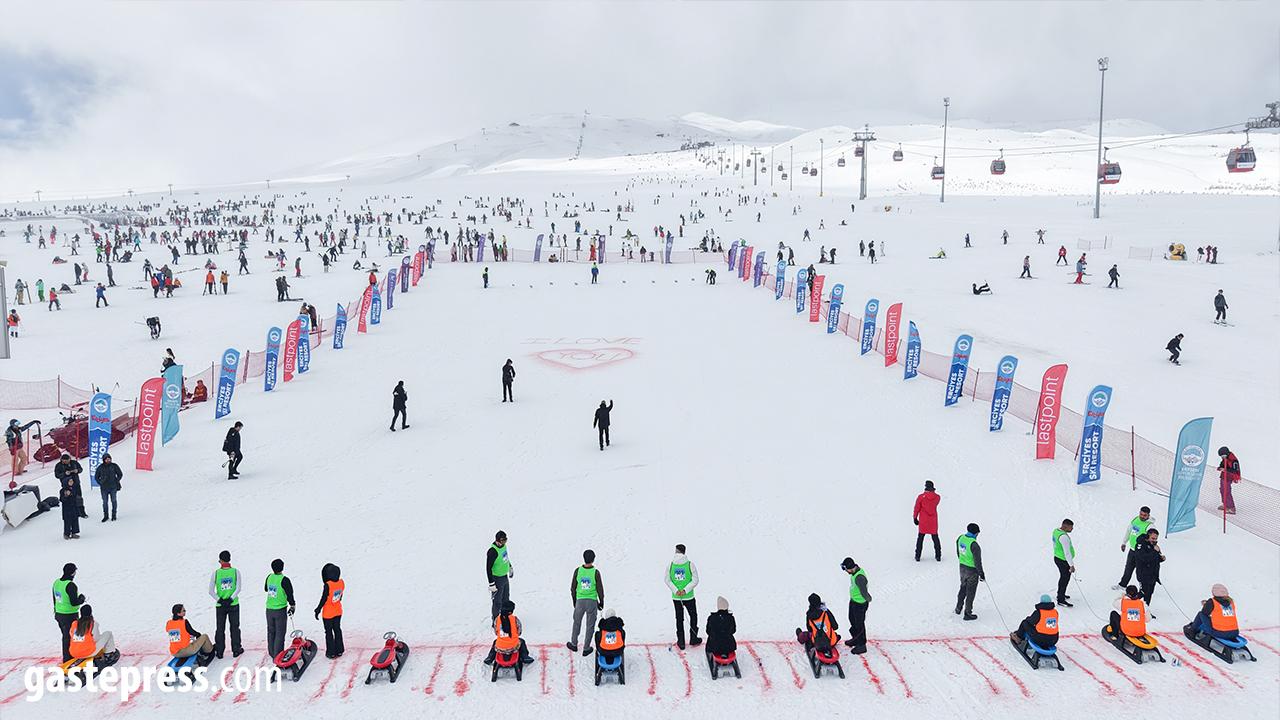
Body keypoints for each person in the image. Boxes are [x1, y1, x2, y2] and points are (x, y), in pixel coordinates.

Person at [567, 549, 604, 655]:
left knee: (576, 622)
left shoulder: (578, 571)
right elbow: (600, 589)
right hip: (592, 601)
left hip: (580, 600)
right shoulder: (596, 572)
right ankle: (586, 648)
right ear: (593, 559)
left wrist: (575, 601)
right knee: (590, 625)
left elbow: (572, 587)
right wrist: (601, 602)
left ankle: (574, 644)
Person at [208, 550, 244, 658]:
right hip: (233, 604)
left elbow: (211, 591)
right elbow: (238, 588)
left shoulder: (216, 573)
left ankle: (219, 651)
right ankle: (236, 649)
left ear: (220, 560)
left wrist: (220, 600)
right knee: (235, 627)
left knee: (220, 628)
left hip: (220, 606)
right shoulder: (235, 572)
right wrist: (230, 599)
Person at [666, 544, 700, 649]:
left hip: (676, 598)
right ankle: (693, 638)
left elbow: (667, 580)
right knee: (693, 616)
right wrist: (685, 590)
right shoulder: (690, 564)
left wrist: (676, 591)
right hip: (689, 596)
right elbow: (695, 579)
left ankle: (681, 641)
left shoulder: (671, 565)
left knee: (679, 618)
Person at [54, 563, 86, 661]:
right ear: (72, 573)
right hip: (69, 615)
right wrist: (81, 599)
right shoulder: (71, 585)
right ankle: (69, 658)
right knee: (70, 637)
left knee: (66, 636)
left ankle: (68, 656)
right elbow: (74, 602)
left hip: (59, 614)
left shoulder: (56, 583)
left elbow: (55, 598)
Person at [485, 600, 534, 665]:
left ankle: (490, 658)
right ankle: (525, 657)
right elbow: (519, 632)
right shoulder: (515, 619)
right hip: (513, 647)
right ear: (511, 611)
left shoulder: (497, 619)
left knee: (495, 642)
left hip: (500, 647)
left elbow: (496, 633)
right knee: (522, 641)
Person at [264, 559, 296, 658]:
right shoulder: (284, 580)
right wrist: (292, 605)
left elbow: (266, 588)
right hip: (280, 610)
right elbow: (290, 594)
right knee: (280, 633)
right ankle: (278, 654)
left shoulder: (269, 577)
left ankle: (271, 652)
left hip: (269, 609)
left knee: (271, 631)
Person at [1116, 506, 1153, 588]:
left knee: (1140, 571)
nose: (1142, 516)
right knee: (1128, 568)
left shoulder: (1150, 526)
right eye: (1141, 514)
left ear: (1148, 515)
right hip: (1132, 549)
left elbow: (1152, 540)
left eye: (1144, 515)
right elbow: (1129, 531)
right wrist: (1124, 542)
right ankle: (1122, 584)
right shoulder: (1136, 519)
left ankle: (1143, 588)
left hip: (1142, 552)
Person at [314, 563, 344, 658]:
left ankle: (331, 652)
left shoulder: (328, 585)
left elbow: (323, 599)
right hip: (338, 611)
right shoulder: (341, 582)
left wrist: (317, 609)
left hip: (328, 613)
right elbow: (340, 597)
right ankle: (339, 650)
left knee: (329, 632)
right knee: (337, 630)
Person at [840, 558, 871, 653]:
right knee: (852, 619)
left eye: (846, 569)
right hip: (854, 601)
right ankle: (856, 638)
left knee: (859, 624)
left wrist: (868, 599)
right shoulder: (854, 573)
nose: (846, 572)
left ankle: (861, 645)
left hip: (860, 604)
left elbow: (864, 592)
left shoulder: (859, 577)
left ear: (850, 568)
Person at [955, 522, 984, 620]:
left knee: (963, 588)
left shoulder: (960, 538)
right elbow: (977, 562)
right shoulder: (974, 545)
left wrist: (961, 559)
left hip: (962, 568)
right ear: (976, 533)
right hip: (972, 571)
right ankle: (968, 613)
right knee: (970, 592)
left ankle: (958, 608)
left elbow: (958, 551)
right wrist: (981, 573)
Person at [1133, 529, 1164, 605]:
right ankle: (1131, 606)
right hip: (1144, 574)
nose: (1154, 540)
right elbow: (1144, 558)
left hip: (1153, 575)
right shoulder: (1140, 545)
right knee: (1143, 593)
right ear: (1147, 536)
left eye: (1156, 539)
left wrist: (1161, 558)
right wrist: (1154, 551)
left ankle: (1146, 610)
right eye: (1153, 538)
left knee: (1149, 593)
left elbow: (1155, 558)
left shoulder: (1153, 545)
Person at [487, 530, 513, 622]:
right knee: (497, 602)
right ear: (497, 540)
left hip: (504, 577)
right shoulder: (492, 551)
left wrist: (509, 567)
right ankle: (496, 621)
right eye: (502, 541)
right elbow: (488, 568)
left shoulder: (503, 547)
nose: (503, 543)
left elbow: (505, 558)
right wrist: (491, 583)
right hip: (497, 579)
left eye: (505, 540)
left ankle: (505, 618)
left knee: (506, 599)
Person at [912, 480, 941, 561]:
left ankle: (918, 556)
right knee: (935, 538)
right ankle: (938, 556)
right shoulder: (937, 497)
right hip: (933, 521)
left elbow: (917, 508)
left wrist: (915, 517)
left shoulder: (921, 497)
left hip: (923, 520)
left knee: (920, 538)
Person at [1052, 519, 1075, 606]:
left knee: (1063, 578)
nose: (1072, 529)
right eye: (1071, 527)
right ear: (1065, 526)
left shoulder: (1056, 531)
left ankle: (1061, 594)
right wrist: (1071, 565)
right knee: (1064, 579)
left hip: (1057, 557)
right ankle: (1061, 599)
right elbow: (1067, 552)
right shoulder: (1064, 537)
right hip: (1063, 560)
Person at [95, 453, 122, 522]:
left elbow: (120, 474)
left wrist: (116, 480)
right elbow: (96, 477)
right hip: (104, 488)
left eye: (109, 459)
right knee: (105, 502)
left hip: (113, 487)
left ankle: (114, 515)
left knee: (113, 501)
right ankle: (106, 516)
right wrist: (100, 482)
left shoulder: (114, 466)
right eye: (106, 459)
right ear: (104, 460)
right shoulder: (100, 467)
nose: (108, 460)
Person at [1216, 447, 1240, 514]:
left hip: (1229, 476)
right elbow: (1222, 464)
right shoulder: (1225, 458)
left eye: (1223, 456)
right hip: (1224, 476)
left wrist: (1225, 470)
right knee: (1222, 490)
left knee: (1226, 491)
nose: (1222, 457)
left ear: (1226, 453)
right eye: (1221, 456)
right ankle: (1225, 504)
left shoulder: (1233, 460)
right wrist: (1220, 467)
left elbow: (1235, 470)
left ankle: (1231, 507)